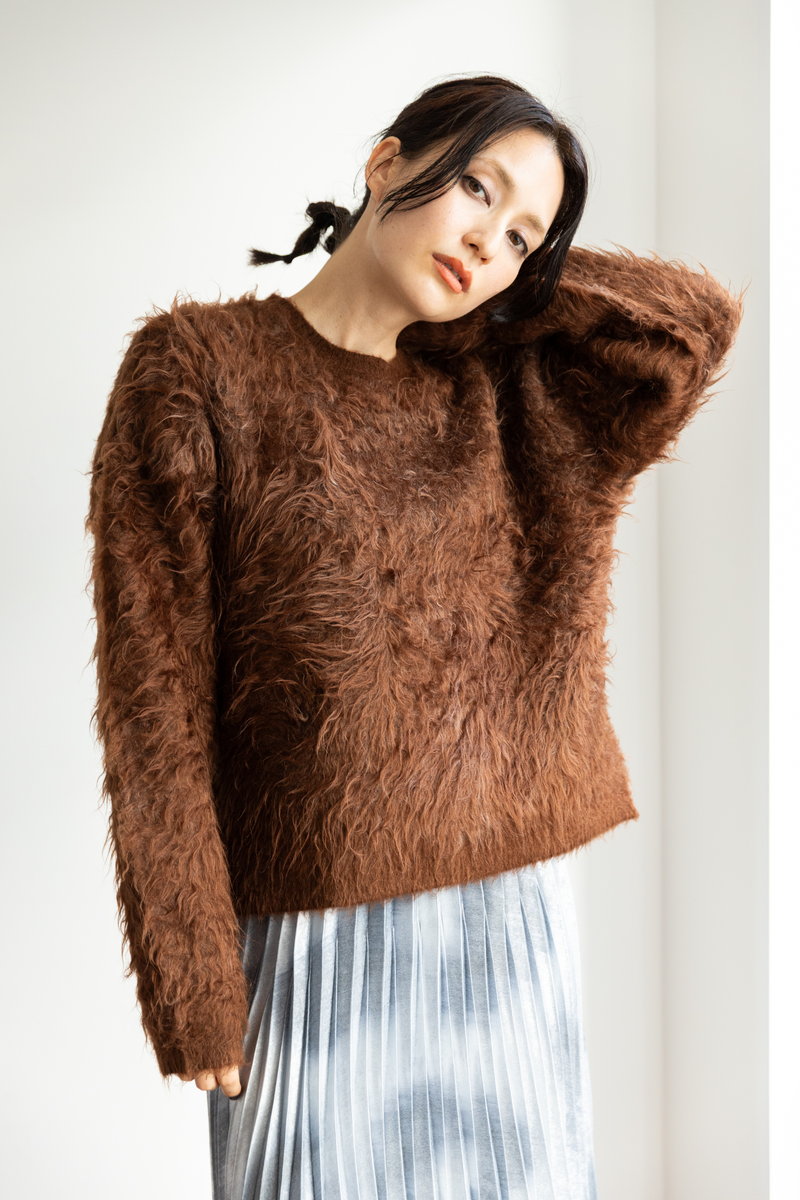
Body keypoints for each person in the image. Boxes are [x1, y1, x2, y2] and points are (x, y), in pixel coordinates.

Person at [85, 73, 744, 1199]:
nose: (488, 241)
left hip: (507, 920)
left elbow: (687, 332)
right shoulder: (197, 368)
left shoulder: (500, 387)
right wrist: (188, 976)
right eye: (476, 188)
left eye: (523, 236)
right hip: (311, 931)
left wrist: (505, 298)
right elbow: (155, 705)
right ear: (386, 160)